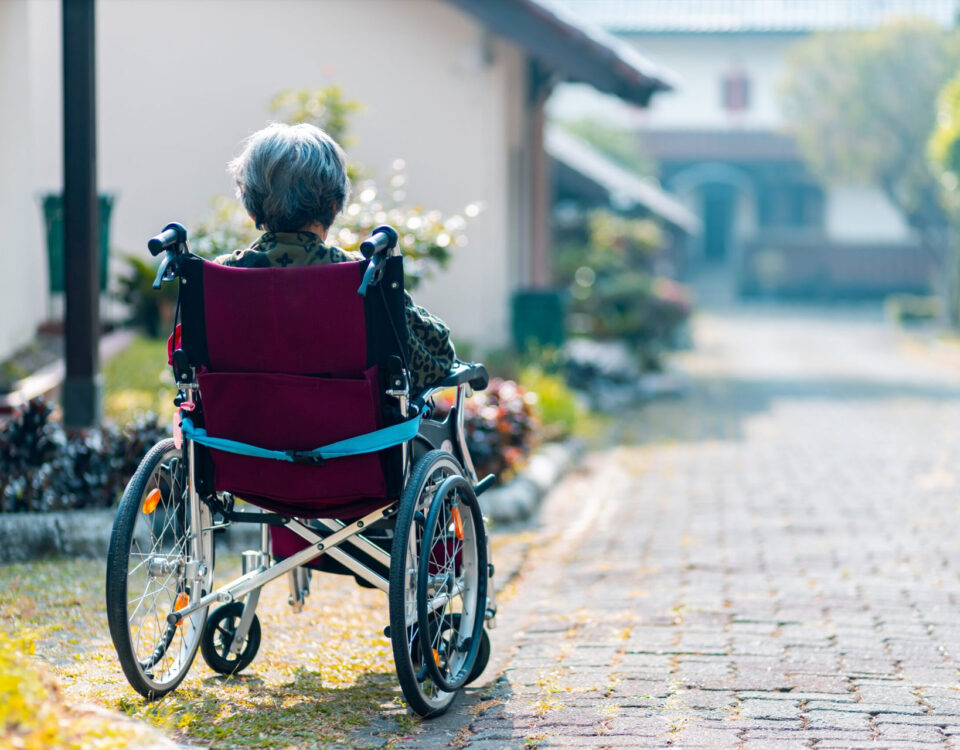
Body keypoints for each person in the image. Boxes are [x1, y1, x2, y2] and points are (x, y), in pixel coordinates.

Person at [215, 122, 456, 394]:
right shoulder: (364, 275)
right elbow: (437, 358)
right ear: (334, 206)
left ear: (252, 210)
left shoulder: (219, 278)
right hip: (351, 433)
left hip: (240, 432)